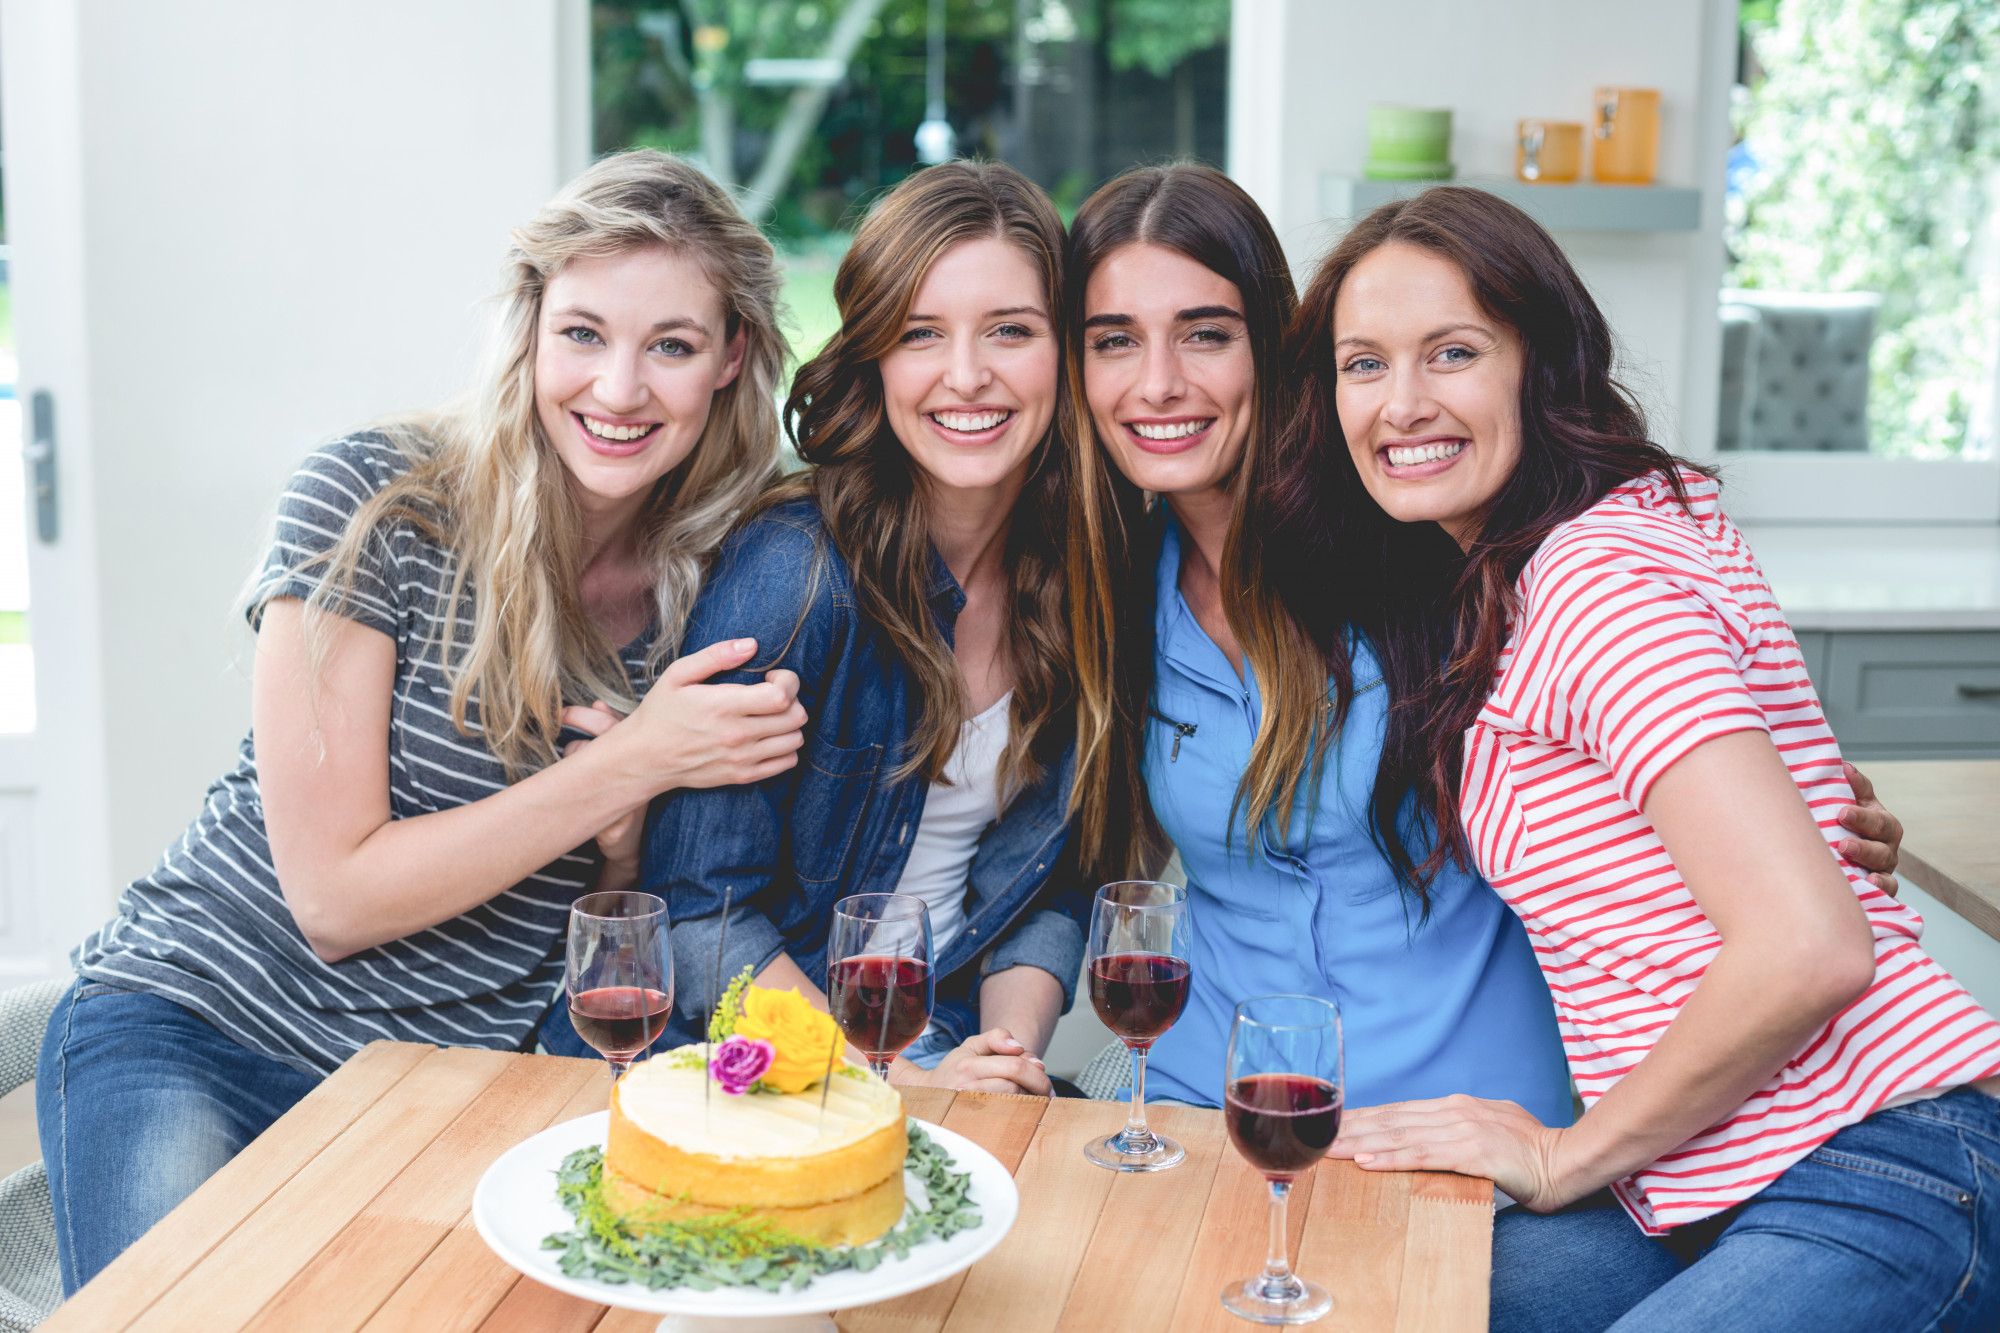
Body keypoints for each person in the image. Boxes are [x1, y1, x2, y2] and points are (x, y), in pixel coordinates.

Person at [36, 150, 807, 1291]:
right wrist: (627, 764)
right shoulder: (377, 501)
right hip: (200, 1028)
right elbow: (335, 898)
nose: (619, 389)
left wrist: (626, 839)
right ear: (530, 331)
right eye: (584, 334)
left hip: (447, 1086)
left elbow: (591, 916)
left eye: (673, 346)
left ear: (730, 358)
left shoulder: (720, 583)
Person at [1062, 164, 1908, 1121]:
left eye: (1207, 334)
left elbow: (1669, 695)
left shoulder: (1439, 536)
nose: (1160, 383)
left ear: (1279, 349)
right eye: (1114, 342)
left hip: (1471, 1121)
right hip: (1212, 1100)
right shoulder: (1110, 595)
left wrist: (1820, 803)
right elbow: (1084, 851)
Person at [1298, 186, 2000, 1330]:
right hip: (1712, 1181)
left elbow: (1809, 944)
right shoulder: (1563, 558)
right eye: (1362, 364)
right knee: (1352, 1297)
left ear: (1542, 361)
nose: (1401, 402)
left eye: (1453, 352)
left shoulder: (1593, 580)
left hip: (1886, 1163)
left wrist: (1564, 1155)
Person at [641, 161, 1085, 1096]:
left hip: (951, 1046)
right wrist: (881, 1086)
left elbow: (1045, 884)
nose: (968, 375)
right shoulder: (797, 573)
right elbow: (701, 913)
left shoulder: (1082, 574)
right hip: (772, 1072)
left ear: (1067, 351)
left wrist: (1005, 1066)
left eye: (1011, 330)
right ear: (874, 355)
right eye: (922, 334)